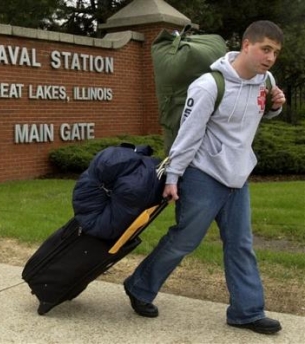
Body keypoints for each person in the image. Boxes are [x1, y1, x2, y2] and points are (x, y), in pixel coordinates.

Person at [124, 20, 285, 335]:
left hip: (238, 176)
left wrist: (275, 107)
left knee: (240, 244)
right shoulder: (208, 85)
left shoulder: (265, 81)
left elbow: (259, 112)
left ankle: (247, 312)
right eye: (266, 49)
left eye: (276, 52)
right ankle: (139, 287)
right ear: (247, 45)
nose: (270, 57)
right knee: (185, 240)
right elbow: (188, 135)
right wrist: (173, 177)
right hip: (203, 175)